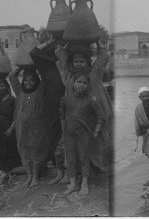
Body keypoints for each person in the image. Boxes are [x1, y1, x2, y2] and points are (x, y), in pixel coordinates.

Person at [55, 40, 112, 170]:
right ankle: (83, 173)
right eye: (76, 61)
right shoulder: (70, 76)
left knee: (99, 141)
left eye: (82, 61)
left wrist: (98, 43)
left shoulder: (94, 73)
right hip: (78, 117)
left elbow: (103, 58)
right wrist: (64, 49)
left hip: (95, 114)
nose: (79, 64)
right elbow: (64, 63)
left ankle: (100, 167)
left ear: (88, 62)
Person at [61, 73, 105, 195]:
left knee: (83, 157)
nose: (82, 85)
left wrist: (95, 133)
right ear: (73, 84)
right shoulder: (66, 99)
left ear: (88, 86)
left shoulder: (90, 100)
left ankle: (84, 184)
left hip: (84, 134)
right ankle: (73, 184)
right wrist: (63, 132)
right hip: (68, 134)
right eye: (79, 82)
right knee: (70, 158)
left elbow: (101, 116)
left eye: (85, 83)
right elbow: (62, 116)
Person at [7, 64, 51, 187]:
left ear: (36, 81)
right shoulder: (19, 92)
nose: (28, 82)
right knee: (25, 152)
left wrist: (37, 66)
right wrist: (20, 67)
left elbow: (45, 78)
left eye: (31, 80)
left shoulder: (40, 91)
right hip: (22, 130)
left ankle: (36, 177)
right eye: (26, 80)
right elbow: (11, 76)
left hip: (38, 129)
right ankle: (29, 176)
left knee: (36, 151)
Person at [29, 38, 66, 185]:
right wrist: (50, 41)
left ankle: (69, 174)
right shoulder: (48, 66)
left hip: (67, 107)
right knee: (53, 140)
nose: (58, 51)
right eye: (55, 49)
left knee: (66, 141)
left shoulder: (67, 65)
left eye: (61, 49)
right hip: (51, 108)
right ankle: (59, 172)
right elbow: (34, 52)